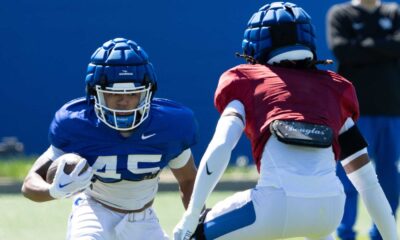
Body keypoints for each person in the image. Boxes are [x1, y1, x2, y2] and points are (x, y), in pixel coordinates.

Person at [173, 2, 398, 240]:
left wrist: (191, 215)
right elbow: (368, 182)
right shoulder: (334, 89)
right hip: (330, 211)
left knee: (193, 234)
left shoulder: (245, 80)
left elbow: (221, 146)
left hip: (273, 208)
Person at [21, 37, 198, 240]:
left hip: (143, 219)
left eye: (132, 94)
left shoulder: (169, 126)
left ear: (148, 93)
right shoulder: (78, 125)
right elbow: (29, 183)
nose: (124, 101)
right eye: (113, 95)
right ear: (95, 94)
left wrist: (195, 221)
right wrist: (53, 191)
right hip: (94, 211)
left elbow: (188, 179)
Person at [327, 1, 400, 239]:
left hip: (391, 111)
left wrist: (362, 47)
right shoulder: (340, 14)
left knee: (389, 174)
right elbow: (341, 49)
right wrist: (384, 47)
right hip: (351, 114)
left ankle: (382, 232)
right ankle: (345, 232)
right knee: (349, 174)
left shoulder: (394, 12)